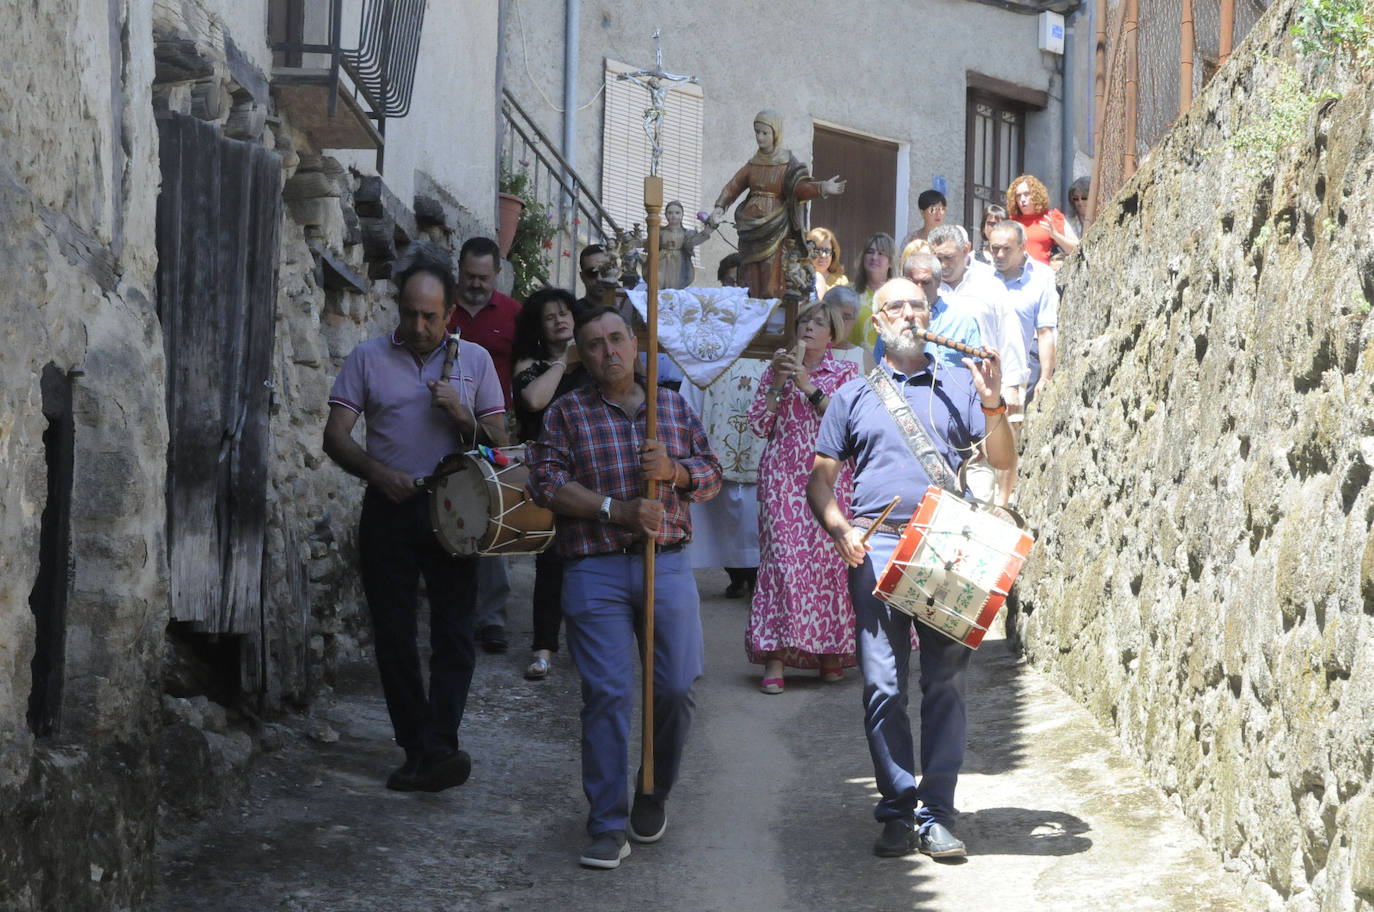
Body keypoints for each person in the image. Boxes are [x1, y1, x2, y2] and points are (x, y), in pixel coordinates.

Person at [806, 279, 1015, 860]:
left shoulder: (959, 381)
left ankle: (938, 813)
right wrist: (841, 528)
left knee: (946, 683)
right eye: (894, 305)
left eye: (917, 304)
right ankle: (899, 808)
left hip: (945, 546)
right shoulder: (854, 393)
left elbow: (1003, 461)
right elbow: (820, 478)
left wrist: (994, 400)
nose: (907, 313)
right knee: (882, 686)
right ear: (877, 320)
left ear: (931, 315)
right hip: (874, 547)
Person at [526, 304, 723, 870]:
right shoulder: (565, 415)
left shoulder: (673, 408)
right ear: (581, 356)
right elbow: (546, 483)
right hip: (595, 569)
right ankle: (607, 823)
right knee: (608, 694)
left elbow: (709, 476)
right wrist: (617, 509)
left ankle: (652, 789)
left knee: (678, 687)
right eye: (593, 344)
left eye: (616, 339)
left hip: (670, 564)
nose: (608, 351)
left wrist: (675, 473)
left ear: (635, 345)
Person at [322, 249, 508, 792]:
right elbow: (335, 437)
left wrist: (462, 415)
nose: (418, 326)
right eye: (409, 313)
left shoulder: (473, 362)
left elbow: (502, 446)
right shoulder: (367, 357)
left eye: (430, 316)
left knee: (454, 632)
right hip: (391, 507)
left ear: (450, 313)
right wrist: (377, 473)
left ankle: (440, 746)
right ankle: (415, 747)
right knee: (395, 635)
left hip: (457, 507)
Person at [746, 300, 860, 692]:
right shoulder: (774, 369)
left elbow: (845, 425)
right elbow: (760, 425)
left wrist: (807, 387)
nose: (809, 327)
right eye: (805, 321)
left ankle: (829, 653)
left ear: (832, 333)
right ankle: (774, 658)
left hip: (828, 479)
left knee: (828, 565)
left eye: (819, 322)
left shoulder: (846, 372)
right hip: (780, 479)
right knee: (783, 563)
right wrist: (779, 382)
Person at [448, 236, 523, 655]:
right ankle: (455, 610)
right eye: (469, 276)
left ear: (497, 274)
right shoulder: (443, 311)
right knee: (452, 512)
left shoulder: (513, 315)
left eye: (484, 277)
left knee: (494, 516)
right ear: (459, 270)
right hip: (442, 423)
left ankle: (492, 617)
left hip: (497, 427)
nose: (476, 284)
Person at [511, 288, 587, 680]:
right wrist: (563, 363)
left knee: (592, 560)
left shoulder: (590, 361)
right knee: (551, 560)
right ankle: (543, 647)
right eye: (550, 316)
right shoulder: (531, 362)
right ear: (538, 327)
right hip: (548, 471)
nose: (560, 320)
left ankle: (588, 643)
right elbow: (535, 401)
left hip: (589, 470)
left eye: (565, 313)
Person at [708, 110, 845, 300]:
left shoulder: (787, 162)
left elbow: (799, 187)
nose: (760, 137)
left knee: (771, 269)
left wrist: (822, 187)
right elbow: (734, 185)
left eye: (765, 133)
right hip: (750, 226)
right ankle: (754, 303)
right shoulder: (753, 164)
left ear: (776, 134)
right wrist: (720, 207)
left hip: (776, 224)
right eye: (757, 132)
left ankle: (770, 306)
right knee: (750, 269)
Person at [989, 220, 1058, 407]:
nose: (1000, 255)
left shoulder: (1042, 278)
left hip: (1025, 373)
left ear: (1022, 247)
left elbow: (1045, 332)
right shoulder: (982, 278)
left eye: (1006, 249)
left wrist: (1045, 378)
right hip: (987, 371)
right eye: (995, 249)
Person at [1006, 173, 1078, 266]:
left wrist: (1056, 236)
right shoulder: (1012, 221)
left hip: (1043, 276)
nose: (1022, 199)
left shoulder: (1052, 217)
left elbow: (1077, 249)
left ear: (1036, 195)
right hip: (1016, 276)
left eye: (1027, 194)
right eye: (1018, 196)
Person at [848, 232, 897, 350]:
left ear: (890, 261)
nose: (874, 257)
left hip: (888, 365)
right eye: (870, 252)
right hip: (854, 364)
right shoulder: (848, 293)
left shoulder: (899, 295)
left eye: (881, 253)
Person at [658, 200, 712, 290]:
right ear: (665, 215)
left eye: (677, 213)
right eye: (670, 213)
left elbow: (692, 242)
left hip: (679, 262)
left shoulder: (687, 233)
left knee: (675, 286)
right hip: (661, 261)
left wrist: (706, 232)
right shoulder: (660, 231)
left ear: (682, 215)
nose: (673, 216)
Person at [822, 285, 873, 372]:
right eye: (834, 315)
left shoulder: (864, 357)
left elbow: (883, 386)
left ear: (854, 321)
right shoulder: (809, 350)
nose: (840, 322)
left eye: (846, 317)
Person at [576, 243, 618, 317]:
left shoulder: (630, 310)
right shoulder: (573, 314)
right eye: (592, 273)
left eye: (605, 271)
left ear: (616, 272)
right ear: (582, 277)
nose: (599, 278)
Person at [808, 226, 848, 299]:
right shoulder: (799, 278)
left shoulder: (841, 281)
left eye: (827, 251)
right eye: (817, 250)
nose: (823, 255)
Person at [974, 204, 1008, 268]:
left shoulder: (1013, 256)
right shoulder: (973, 257)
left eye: (1000, 224)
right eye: (991, 224)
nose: (995, 227)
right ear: (983, 227)